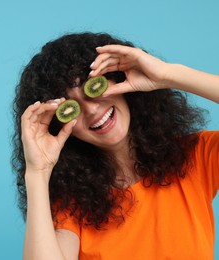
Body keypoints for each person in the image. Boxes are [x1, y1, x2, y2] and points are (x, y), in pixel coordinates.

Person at [11, 32, 219, 259]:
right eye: (72, 107)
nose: (91, 110)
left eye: (93, 88)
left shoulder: (195, 155)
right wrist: (37, 172)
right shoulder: (72, 205)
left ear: (118, 79)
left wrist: (167, 74)